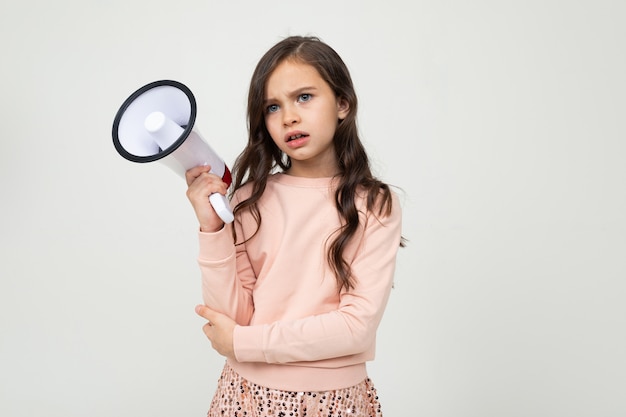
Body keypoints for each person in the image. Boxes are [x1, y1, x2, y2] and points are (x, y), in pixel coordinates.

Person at [185, 35, 403, 417]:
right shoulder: (249, 199)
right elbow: (231, 321)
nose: (288, 117)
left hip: (334, 402)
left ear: (342, 103)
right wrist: (212, 230)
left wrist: (245, 344)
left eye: (304, 97)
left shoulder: (376, 204)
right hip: (246, 396)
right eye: (272, 107)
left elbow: (356, 327)